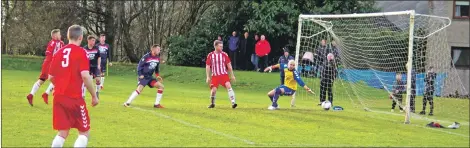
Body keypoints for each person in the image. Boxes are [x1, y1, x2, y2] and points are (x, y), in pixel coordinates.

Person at [48, 24, 99, 147]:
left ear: (67, 36)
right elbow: (85, 76)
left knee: (63, 132)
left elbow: (51, 77)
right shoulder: (82, 52)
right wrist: (94, 96)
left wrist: (62, 86)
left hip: (59, 98)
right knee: (84, 132)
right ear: (81, 37)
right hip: (75, 98)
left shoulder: (59, 53)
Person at [26, 29, 64, 106]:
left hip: (47, 63)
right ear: (55, 36)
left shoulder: (54, 43)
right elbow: (50, 53)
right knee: (58, 80)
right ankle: (52, 97)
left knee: (42, 80)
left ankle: (31, 94)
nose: (60, 36)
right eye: (59, 34)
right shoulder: (56, 43)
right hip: (51, 64)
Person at [206, 40, 238, 109]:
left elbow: (229, 65)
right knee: (213, 90)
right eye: (220, 46)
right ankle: (212, 103)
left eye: (222, 46)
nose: (222, 48)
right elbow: (208, 66)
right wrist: (208, 76)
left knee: (229, 86)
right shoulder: (210, 55)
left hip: (224, 75)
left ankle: (233, 103)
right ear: (216, 46)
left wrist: (232, 75)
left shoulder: (224, 54)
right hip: (215, 76)